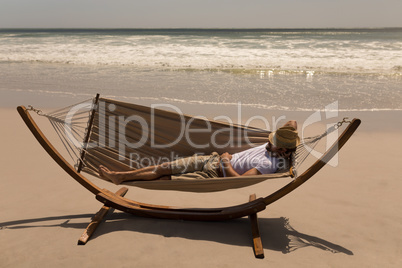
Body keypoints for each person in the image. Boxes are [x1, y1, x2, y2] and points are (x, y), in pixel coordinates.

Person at [99, 120, 300, 185]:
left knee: (166, 178)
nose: (269, 140)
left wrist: (226, 161)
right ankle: (120, 176)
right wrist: (291, 136)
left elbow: (238, 180)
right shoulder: (272, 147)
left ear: (282, 149)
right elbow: (292, 123)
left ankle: (123, 179)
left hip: (214, 173)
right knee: (164, 166)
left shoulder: (268, 165)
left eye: (274, 142)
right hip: (210, 159)